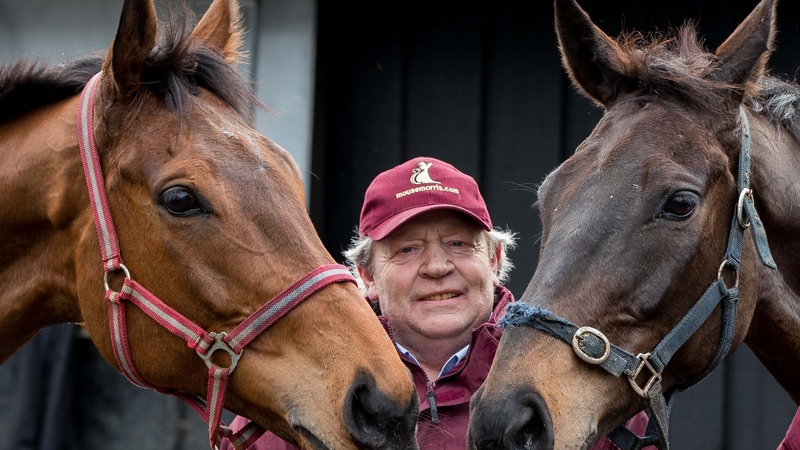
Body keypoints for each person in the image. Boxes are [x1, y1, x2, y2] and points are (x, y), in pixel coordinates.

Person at [222, 156, 646, 450]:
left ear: (495, 260)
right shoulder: (303, 388)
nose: (438, 266)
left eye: (459, 244)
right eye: (407, 250)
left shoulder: (575, 378)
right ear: (367, 276)